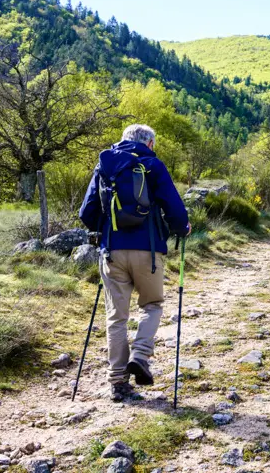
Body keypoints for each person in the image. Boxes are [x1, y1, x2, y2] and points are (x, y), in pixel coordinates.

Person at [79, 124, 190, 401]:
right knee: (151, 306)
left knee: (116, 316)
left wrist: (106, 229)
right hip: (148, 252)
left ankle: (117, 382)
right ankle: (140, 355)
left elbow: (86, 213)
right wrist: (182, 228)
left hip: (112, 251)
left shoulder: (105, 166)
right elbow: (174, 208)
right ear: (150, 143)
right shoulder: (153, 165)